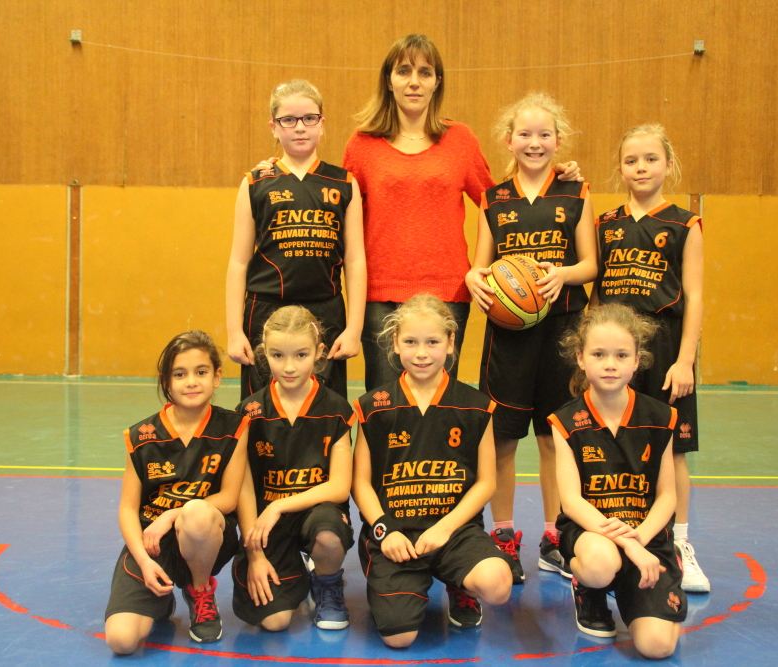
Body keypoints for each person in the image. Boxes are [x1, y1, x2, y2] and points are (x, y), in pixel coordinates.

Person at [342, 34, 583, 391]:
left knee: (441, 403)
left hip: (448, 292)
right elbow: (337, 212)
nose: (414, 81)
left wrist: (550, 174)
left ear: (437, 82)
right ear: (388, 80)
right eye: (404, 71)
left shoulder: (460, 139)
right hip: (381, 294)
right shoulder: (362, 144)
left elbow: (500, 200)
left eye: (425, 73)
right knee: (384, 403)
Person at [465, 93, 597, 584]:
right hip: (509, 336)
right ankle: (503, 535)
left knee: (553, 437)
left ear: (558, 141)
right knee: (502, 439)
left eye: (544, 134)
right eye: (525, 134)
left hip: (562, 331)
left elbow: (591, 264)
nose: (534, 142)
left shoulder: (576, 192)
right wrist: (474, 277)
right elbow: (480, 265)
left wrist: (563, 274)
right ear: (509, 141)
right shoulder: (494, 198)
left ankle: (554, 536)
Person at [352, 294, 512, 648]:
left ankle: (460, 583)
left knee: (498, 584)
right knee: (399, 637)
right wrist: (384, 530)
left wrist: (445, 528)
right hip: (397, 534)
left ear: (451, 343)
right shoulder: (373, 407)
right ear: (395, 343)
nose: (421, 353)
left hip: (453, 530)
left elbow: (486, 482)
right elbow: (360, 483)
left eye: (433, 342)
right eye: (410, 342)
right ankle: (404, 584)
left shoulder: (476, 406)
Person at [592, 124, 708, 593]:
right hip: (613, 352)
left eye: (651, 159)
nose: (640, 168)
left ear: (668, 165)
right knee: (608, 444)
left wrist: (685, 360)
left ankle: (679, 543)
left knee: (672, 448)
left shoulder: (684, 224)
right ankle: (607, 539)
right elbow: (596, 294)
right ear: (620, 168)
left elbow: (695, 297)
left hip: (663, 351)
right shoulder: (604, 224)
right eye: (631, 160)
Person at [549, 304, 686, 659]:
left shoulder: (660, 417)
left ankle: (652, 581)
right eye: (599, 354)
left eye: (621, 355)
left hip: (646, 534)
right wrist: (627, 546)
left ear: (637, 360)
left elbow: (667, 496)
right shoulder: (565, 421)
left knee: (657, 647)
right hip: (592, 534)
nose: (610, 364)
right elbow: (572, 502)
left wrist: (639, 539)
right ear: (580, 358)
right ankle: (588, 587)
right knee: (599, 565)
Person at [104, 331, 249, 653]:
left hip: (206, 536)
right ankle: (161, 600)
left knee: (196, 512)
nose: (191, 382)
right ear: (166, 382)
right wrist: (144, 561)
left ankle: (200, 591)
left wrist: (171, 515)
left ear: (216, 377)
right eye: (180, 374)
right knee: (121, 641)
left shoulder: (234, 428)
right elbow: (127, 509)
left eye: (201, 372)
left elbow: (228, 498)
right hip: (153, 543)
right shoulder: (141, 436)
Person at [226, 79, 366, 401]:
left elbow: (356, 259)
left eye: (309, 118)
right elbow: (238, 262)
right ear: (274, 127)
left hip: (326, 311)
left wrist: (354, 328)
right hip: (265, 309)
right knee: (262, 410)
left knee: (325, 411)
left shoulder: (344, 183)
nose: (300, 127)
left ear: (322, 123)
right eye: (288, 119)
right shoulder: (255, 183)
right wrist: (234, 331)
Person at [231, 306, 356, 632]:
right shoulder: (249, 412)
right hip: (267, 524)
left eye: (301, 355)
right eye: (277, 355)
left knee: (328, 537)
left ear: (319, 352)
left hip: (316, 512)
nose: (288, 367)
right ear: (264, 353)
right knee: (274, 622)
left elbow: (339, 487)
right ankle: (296, 570)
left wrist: (279, 505)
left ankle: (327, 583)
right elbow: (243, 487)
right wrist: (254, 554)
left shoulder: (336, 409)